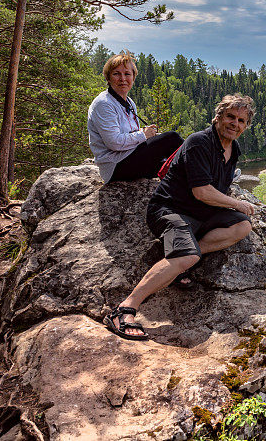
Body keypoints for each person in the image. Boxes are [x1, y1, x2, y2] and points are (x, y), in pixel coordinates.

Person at [103, 94, 257, 340]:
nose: (234, 123)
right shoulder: (199, 142)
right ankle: (125, 309)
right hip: (170, 210)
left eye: (241, 120)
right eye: (230, 116)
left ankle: (181, 258)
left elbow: (218, 187)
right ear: (217, 117)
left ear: (246, 126)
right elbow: (202, 191)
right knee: (187, 254)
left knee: (242, 226)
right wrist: (237, 203)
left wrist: (234, 208)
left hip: (201, 213)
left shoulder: (233, 148)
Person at [87, 51, 183, 183]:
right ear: (108, 78)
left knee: (174, 167)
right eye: (116, 74)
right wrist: (143, 135)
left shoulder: (129, 102)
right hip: (115, 166)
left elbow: (130, 135)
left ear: (133, 77)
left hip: (129, 159)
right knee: (172, 138)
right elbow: (114, 142)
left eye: (127, 74)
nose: (123, 79)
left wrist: (148, 135)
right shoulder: (104, 103)